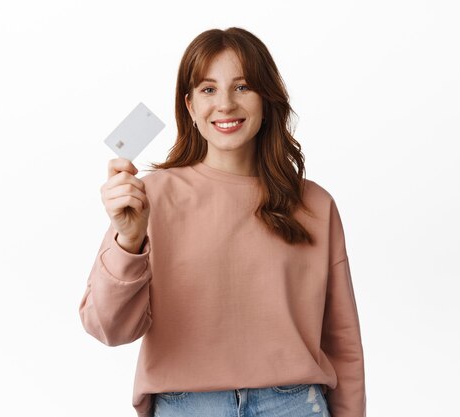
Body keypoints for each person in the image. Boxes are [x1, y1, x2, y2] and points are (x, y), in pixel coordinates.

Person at [79, 27, 366, 417]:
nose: (226, 104)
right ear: (190, 105)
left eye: (243, 86)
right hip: (187, 406)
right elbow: (108, 328)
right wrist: (128, 241)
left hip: (294, 405)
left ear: (267, 98)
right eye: (208, 89)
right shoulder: (150, 197)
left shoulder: (314, 204)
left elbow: (342, 339)